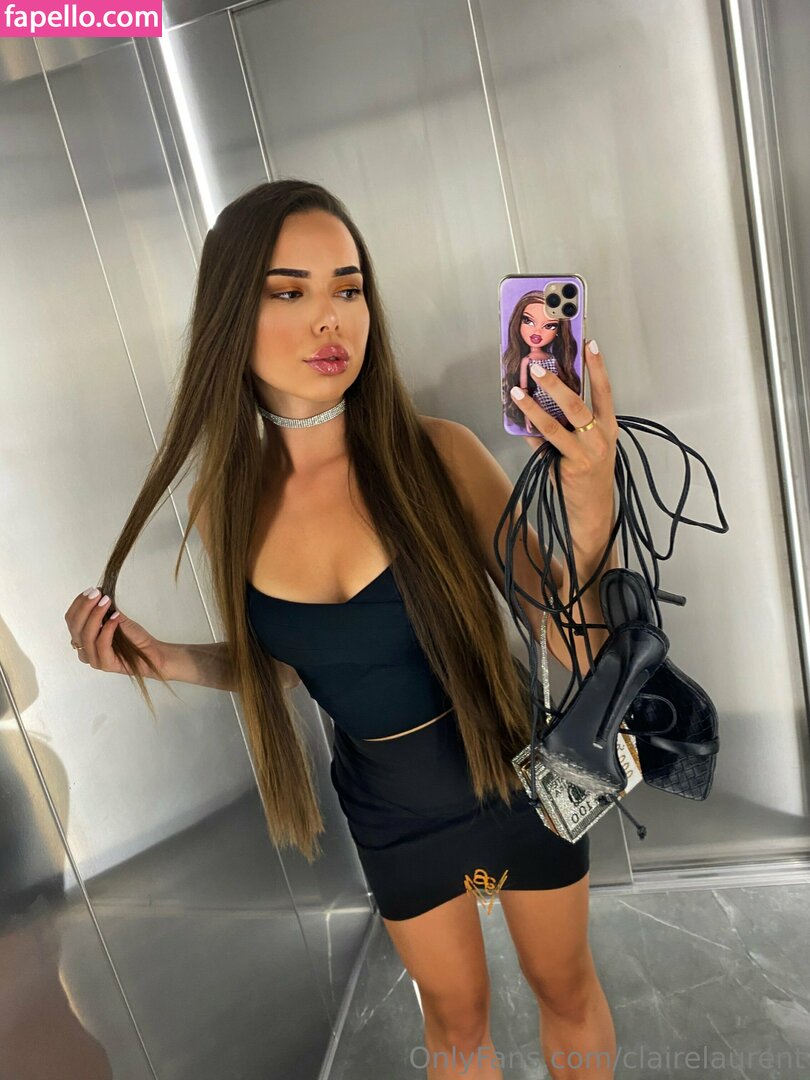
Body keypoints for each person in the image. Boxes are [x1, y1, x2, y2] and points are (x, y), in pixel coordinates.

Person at [64, 180, 621, 1078]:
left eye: (348, 288)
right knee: (455, 1024)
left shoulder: (437, 455)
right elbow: (300, 664)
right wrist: (168, 659)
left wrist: (590, 503)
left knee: (564, 988)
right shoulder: (225, 504)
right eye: (289, 291)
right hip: (389, 809)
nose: (330, 318)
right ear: (230, 318)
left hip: (516, 775)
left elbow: (576, 644)